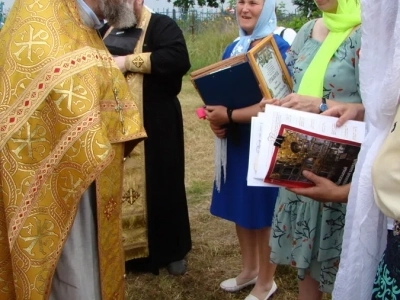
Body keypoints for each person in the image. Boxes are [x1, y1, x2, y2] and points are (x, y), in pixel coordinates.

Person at [0, 0, 147, 299]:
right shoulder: (41, 17)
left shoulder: (81, 24)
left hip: (87, 183)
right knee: (72, 280)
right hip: (54, 192)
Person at [261, 0, 362, 299]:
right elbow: (291, 86)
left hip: (344, 171)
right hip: (302, 159)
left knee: (348, 267)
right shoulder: (307, 30)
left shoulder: (371, 32)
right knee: (307, 263)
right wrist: (277, 102)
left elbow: (386, 112)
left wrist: (322, 106)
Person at [204, 1, 290, 299]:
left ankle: (267, 281)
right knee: (242, 207)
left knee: (262, 211)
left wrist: (228, 115)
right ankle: (250, 269)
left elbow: (276, 104)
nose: (245, 8)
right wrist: (215, 120)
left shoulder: (278, 47)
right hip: (238, 141)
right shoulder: (232, 48)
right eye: (240, 1)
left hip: (266, 143)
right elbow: (217, 97)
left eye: (253, 2)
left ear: (267, 8)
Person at [101, 0, 192, 276]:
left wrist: (127, 62)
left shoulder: (162, 26)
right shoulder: (104, 30)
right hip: (115, 127)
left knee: (163, 183)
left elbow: (178, 59)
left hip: (157, 125)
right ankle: (123, 253)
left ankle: (171, 251)